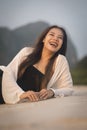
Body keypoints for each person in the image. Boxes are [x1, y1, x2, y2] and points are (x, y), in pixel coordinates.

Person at [1, 25, 73, 104]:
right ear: (44, 39)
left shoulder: (60, 61)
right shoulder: (26, 52)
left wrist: (52, 92)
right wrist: (20, 94)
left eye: (60, 37)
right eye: (52, 34)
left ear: (62, 44)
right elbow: (9, 72)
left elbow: (68, 88)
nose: (55, 38)